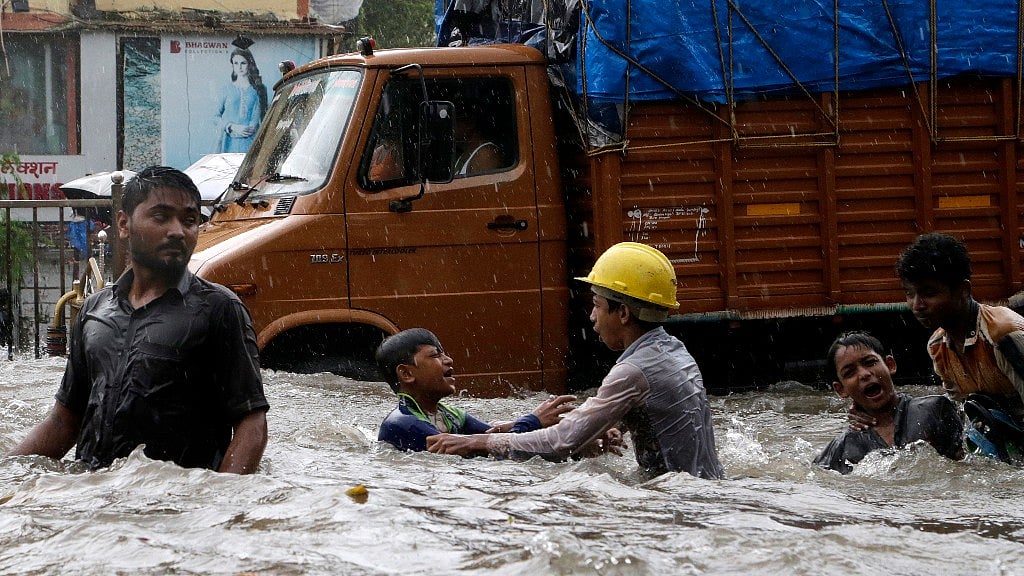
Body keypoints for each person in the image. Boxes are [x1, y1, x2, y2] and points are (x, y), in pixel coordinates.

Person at [6, 166, 269, 473]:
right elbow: (64, 421)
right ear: (123, 224)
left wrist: (223, 500)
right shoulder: (94, 311)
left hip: (176, 506)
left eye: (189, 220)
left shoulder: (219, 309)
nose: (177, 231)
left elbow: (252, 423)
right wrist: (9, 472)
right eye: (161, 217)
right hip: (95, 498)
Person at [428, 242, 725, 479]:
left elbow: (562, 441)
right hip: (705, 486)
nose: (592, 316)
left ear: (622, 313)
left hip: (679, 501)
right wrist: (612, 426)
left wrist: (476, 442)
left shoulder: (633, 371)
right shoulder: (673, 350)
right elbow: (655, 415)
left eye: (596, 305)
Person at [897, 232, 1024, 460]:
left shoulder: (1003, 335)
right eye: (909, 294)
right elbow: (962, 419)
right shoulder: (937, 347)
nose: (917, 305)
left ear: (963, 290)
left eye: (929, 293)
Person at [376, 328, 577, 451]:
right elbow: (486, 450)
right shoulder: (404, 423)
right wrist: (532, 421)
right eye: (435, 356)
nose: (449, 360)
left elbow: (488, 434)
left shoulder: (450, 415)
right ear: (406, 374)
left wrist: (567, 428)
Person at [814, 331, 964, 474]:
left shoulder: (934, 410)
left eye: (870, 362)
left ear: (890, 365)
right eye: (850, 373)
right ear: (841, 389)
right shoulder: (843, 447)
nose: (864, 374)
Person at [214, 42, 269, 154]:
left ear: (249, 64)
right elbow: (215, 116)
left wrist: (253, 128)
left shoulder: (259, 89)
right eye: (236, 63)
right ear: (232, 65)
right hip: (230, 143)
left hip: (251, 143)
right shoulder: (226, 89)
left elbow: (264, 118)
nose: (239, 67)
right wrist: (231, 126)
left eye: (243, 63)